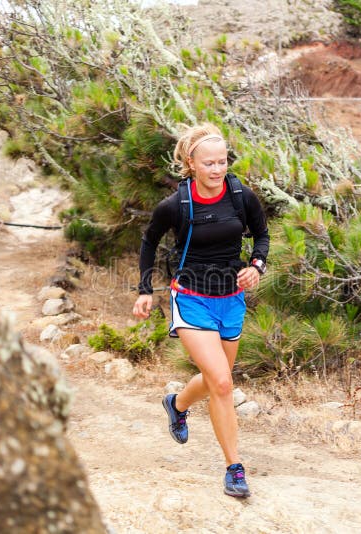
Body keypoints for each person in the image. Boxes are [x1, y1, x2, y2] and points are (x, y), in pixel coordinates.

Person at [132, 123, 269, 498]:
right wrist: (146, 289)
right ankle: (234, 468)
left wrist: (256, 266)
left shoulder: (241, 196)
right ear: (190, 163)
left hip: (231, 299)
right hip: (190, 298)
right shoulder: (176, 204)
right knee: (223, 383)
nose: (217, 169)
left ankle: (176, 405)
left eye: (222, 161)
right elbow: (149, 242)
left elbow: (262, 236)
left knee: (215, 379)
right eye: (208, 163)